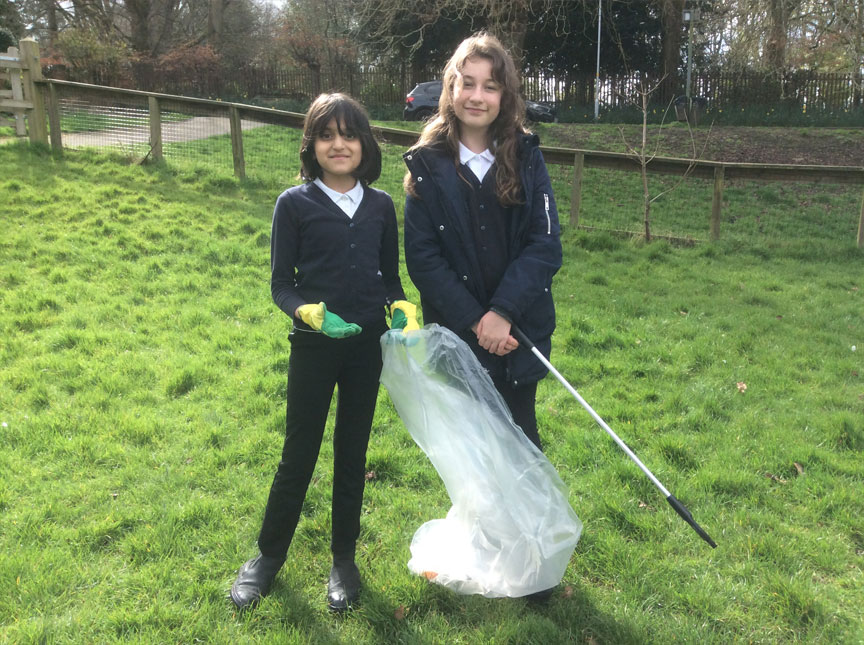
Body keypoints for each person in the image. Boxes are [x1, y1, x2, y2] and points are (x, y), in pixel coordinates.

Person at [230, 93, 417, 613]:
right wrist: (304, 312)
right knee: (299, 454)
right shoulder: (294, 204)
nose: (339, 145)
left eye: (349, 135)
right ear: (311, 145)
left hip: (366, 352)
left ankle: (343, 559)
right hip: (313, 349)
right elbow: (280, 285)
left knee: (351, 455)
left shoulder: (380, 206)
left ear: (365, 145)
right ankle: (267, 559)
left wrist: (399, 305)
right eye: (327, 135)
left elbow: (388, 278)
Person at [403, 32, 562, 453]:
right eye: (467, 83)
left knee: (520, 448)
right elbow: (423, 259)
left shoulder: (527, 156)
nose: (477, 96)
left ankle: (527, 523)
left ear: (504, 95)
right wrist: (478, 321)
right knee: (473, 457)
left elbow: (544, 244)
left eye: (490, 86)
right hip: (458, 337)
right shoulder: (425, 163)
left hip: (518, 333)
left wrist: (503, 312)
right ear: (450, 88)